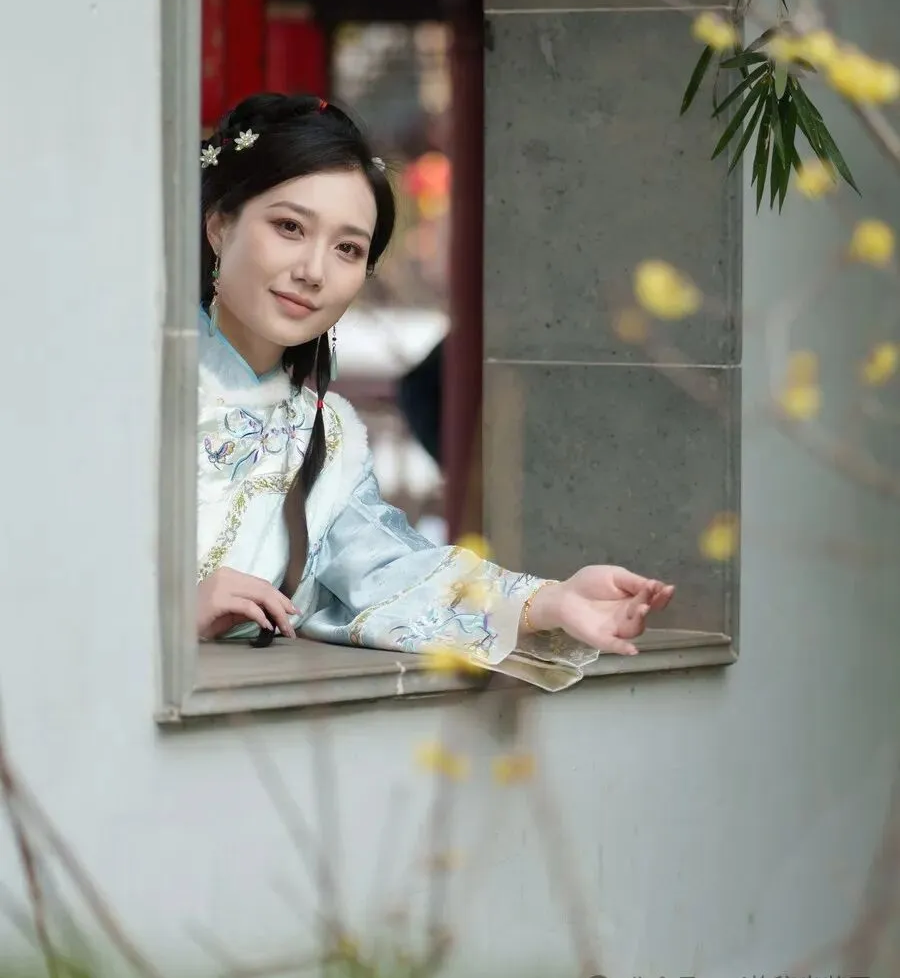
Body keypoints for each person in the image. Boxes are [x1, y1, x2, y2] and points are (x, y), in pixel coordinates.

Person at [196, 93, 675, 691]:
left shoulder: (326, 436)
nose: (314, 271)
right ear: (219, 225)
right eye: (289, 227)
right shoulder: (125, 391)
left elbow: (387, 571)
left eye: (348, 248)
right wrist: (169, 610)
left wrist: (545, 604)